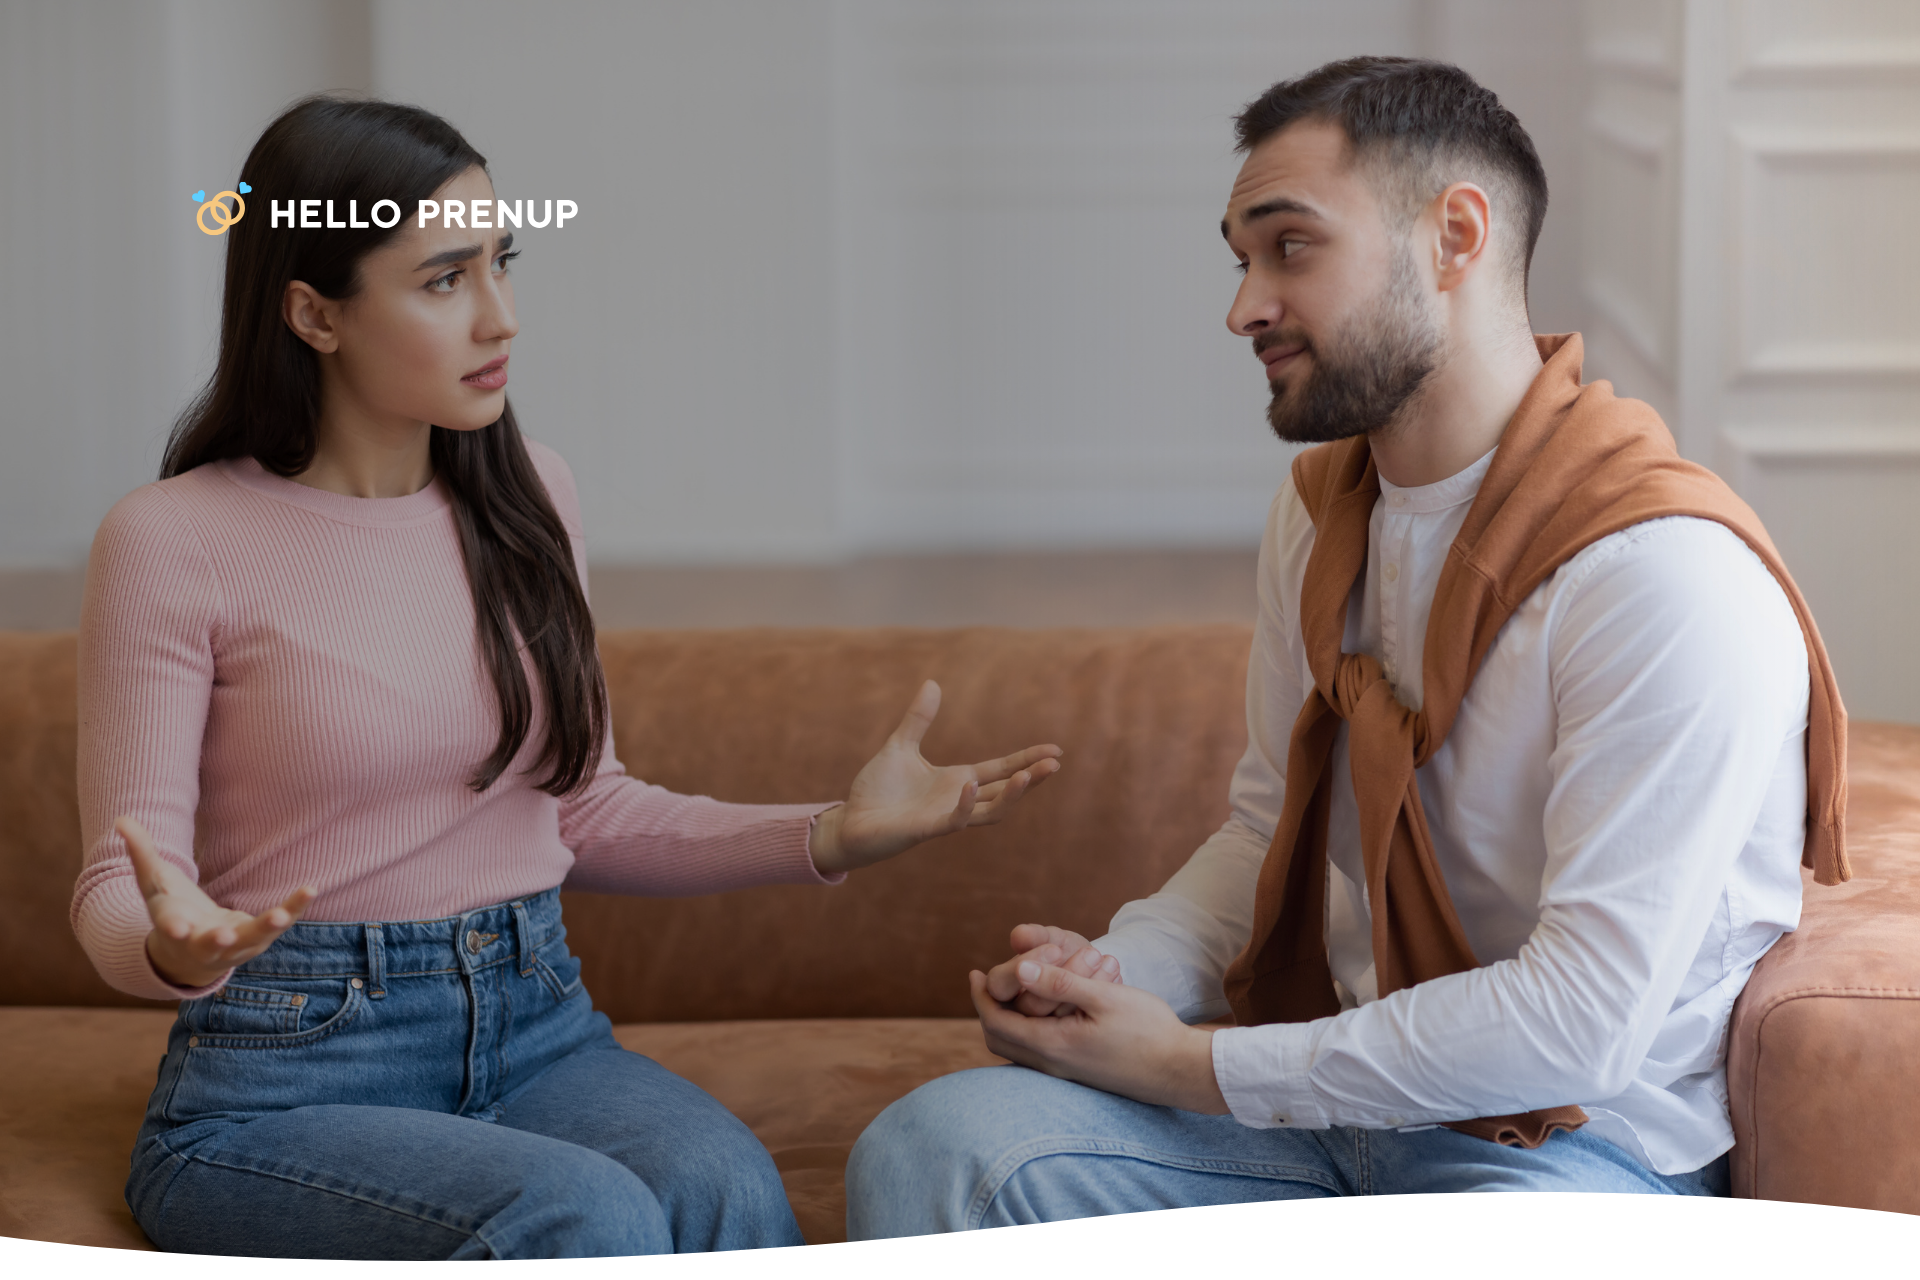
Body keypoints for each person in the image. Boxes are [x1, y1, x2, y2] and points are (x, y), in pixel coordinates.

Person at [845, 56, 1848, 1237]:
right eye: (1240, 257)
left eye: (1289, 247)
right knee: (938, 1152)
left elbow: (1584, 1019)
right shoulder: (1324, 510)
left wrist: (1191, 1068)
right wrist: (1119, 975)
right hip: (1332, 1115)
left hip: (1569, 1157)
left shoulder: (1660, 574)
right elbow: (1271, 828)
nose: (1243, 306)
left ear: (1454, 235)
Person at [74, 95, 1063, 1260]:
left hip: (536, 1020)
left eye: (503, 263)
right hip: (288, 1071)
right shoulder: (171, 536)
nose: (501, 316)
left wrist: (836, 830)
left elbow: (581, 804)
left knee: (723, 1187)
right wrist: (169, 946)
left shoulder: (527, 492)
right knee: (581, 1214)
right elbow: (117, 882)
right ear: (313, 312)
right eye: (444, 279)